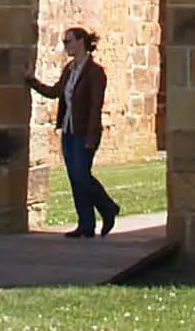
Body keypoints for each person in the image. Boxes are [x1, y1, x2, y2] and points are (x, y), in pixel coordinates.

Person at [23, 25, 118, 238]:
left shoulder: (95, 73)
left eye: (68, 41)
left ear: (81, 42)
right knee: (75, 178)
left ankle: (108, 208)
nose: (65, 46)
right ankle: (86, 224)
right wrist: (32, 81)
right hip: (68, 130)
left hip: (85, 132)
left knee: (81, 175)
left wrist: (92, 136)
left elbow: (95, 106)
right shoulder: (69, 70)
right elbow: (56, 92)